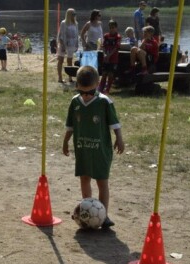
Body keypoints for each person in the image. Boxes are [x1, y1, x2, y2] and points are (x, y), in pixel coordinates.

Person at [62, 65, 124, 229]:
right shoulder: (75, 102)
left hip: (101, 151)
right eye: (83, 92)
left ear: (97, 84)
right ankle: (86, 210)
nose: (86, 96)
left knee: (102, 182)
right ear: (77, 87)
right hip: (83, 150)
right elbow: (70, 125)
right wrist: (65, 141)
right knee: (84, 179)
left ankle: (104, 215)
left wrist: (119, 138)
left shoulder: (104, 102)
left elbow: (115, 124)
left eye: (89, 92)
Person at [98, 20, 121, 94]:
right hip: (106, 58)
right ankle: (100, 88)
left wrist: (109, 55)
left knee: (111, 74)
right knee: (104, 73)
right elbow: (104, 46)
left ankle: (107, 89)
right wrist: (105, 54)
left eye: (113, 27)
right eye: (110, 27)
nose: (112, 29)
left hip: (113, 58)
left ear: (116, 28)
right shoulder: (106, 36)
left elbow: (116, 47)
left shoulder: (118, 37)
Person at [56, 8, 78, 83]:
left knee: (70, 61)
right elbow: (60, 35)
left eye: (75, 14)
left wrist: (77, 45)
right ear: (69, 15)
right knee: (60, 60)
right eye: (73, 14)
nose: (74, 16)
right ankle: (60, 78)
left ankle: (70, 77)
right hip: (63, 43)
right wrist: (62, 45)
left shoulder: (75, 23)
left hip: (72, 44)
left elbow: (76, 35)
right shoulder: (63, 23)